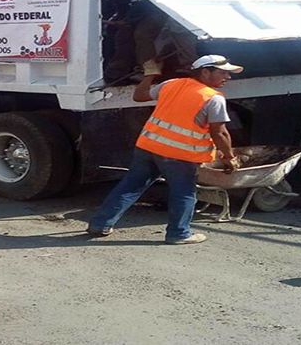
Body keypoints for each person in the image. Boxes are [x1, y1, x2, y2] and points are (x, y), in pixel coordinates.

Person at [87, 54, 243, 244]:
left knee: (130, 186)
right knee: (184, 193)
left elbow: (139, 96)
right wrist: (229, 157)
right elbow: (220, 133)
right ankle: (179, 234)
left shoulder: (171, 84)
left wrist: (150, 74)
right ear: (205, 72)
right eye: (223, 73)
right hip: (180, 155)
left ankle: (100, 224)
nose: (228, 77)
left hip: (148, 147)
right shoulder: (212, 99)